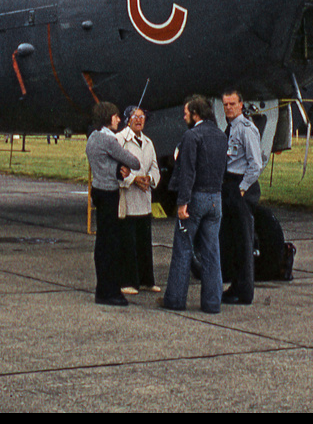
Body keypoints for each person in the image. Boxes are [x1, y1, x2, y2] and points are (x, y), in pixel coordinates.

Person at [161, 95, 225, 313]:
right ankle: (212, 302)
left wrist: (182, 202)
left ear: (196, 114)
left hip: (196, 198)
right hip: (216, 198)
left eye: (187, 113)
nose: (184, 116)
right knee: (212, 252)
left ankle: (175, 300)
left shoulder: (192, 136)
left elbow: (188, 172)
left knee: (183, 249)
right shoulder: (220, 135)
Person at [86, 101, 140, 306]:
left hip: (98, 190)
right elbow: (134, 162)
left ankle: (104, 288)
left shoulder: (92, 137)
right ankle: (109, 291)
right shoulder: (109, 141)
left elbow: (102, 163)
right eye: (116, 116)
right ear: (109, 118)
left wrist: (116, 168)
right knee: (111, 244)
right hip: (109, 194)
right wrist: (122, 165)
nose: (119, 119)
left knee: (102, 243)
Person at [220, 89, 263, 305]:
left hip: (240, 186)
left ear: (241, 104)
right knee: (233, 241)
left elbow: (256, 164)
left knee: (244, 242)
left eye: (232, 104)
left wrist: (243, 188)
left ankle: (245, 292)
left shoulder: (246, 129)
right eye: (225, 104)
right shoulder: (230, 128)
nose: (228, 107)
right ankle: (235, 286)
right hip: (229, 184)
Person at [116, 106, 160, 294]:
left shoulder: (148, 142)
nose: (139, 120)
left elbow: (155, 167)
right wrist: (133, 179)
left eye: (142, 117)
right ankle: (128, 281)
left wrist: (150, 179)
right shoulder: (119, 140)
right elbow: (116, 168)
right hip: (128, 197)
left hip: (144, 197)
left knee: (144, 242)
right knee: (128, 242)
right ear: (128, 119)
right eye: (135, 117)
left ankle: (146, 281)